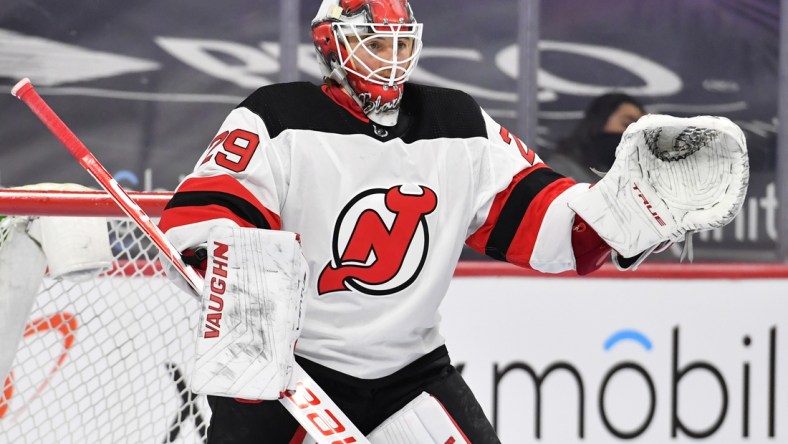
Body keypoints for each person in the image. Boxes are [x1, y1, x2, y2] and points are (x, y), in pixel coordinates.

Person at [157, 1, 746, 442]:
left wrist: (627, 213)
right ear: (331, 45)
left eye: (398, 45)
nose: (389, 61)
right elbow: (208, 212)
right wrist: (233, 275)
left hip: (408, 369)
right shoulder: (276, 114)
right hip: (290, 370)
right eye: (373, 44)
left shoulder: (457, 121)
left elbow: (544, 221)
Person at [548, 93, 646, 183]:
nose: (633, 133)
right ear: (599, 122)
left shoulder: (633, 178)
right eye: (627, 124)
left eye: (641, 130)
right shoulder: (561, 170)